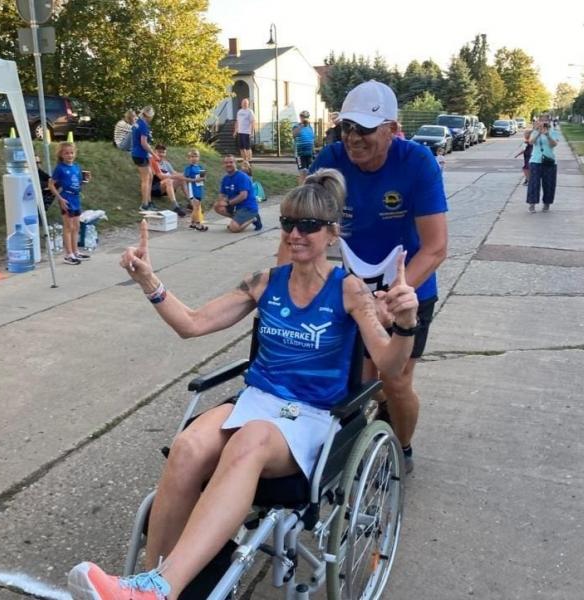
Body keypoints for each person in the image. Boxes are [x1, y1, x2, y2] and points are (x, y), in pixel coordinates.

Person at [66, 169, 419, 600]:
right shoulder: (266, 282)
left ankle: (162, 587)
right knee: (187, 446)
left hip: (311, 417)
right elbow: (192, 323)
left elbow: (389, 364)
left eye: (308, 225)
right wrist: (148, 282)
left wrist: (406, 324)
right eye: (288, 222)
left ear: (331, 233)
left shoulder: (350, 291)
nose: (295, 233)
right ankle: (148, 581)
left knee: (250, 439)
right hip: (257, 401)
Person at [278, 80, 448, 474]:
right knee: (359, 379)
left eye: (365, 129)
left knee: (395, 380)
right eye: (347, 127)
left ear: (391, 129)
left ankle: (401, 448)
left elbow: (436, 247)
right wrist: (283, 288)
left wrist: (392, 296)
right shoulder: (331, 159)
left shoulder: (417, 163)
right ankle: (371, 424)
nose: (353, 138)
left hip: (408, 286)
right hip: (355, 288)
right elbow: (299, 227)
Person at [48, 141, 91, 265]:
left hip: (75, 198)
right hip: (66, 197)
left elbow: (78, 183)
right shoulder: (60, 168)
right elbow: (51, 184)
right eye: (66, 153)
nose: (69, 155)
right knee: (68, 227)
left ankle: (76, 251)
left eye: (71, 153)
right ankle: (68, 254)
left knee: (76, 226)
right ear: (61, 155)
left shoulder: (76, 167)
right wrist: (60, 199)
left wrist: (85, 181)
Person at [214, 155, 262, 232]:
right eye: (226, 163)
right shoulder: (225, 179)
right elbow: (222, 194)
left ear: (235, 163)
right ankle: (238, 220)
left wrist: (228, 203)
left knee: (234, 228)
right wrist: (221, 201)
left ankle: (253, 218)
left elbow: (243, 196)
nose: (228, 164)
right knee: (217, 206)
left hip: (248, 207)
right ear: (223, 164)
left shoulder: (242, 177)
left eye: (231, 162)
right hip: (235, 207)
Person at [526, 120, 559, 213]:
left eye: (545, 122)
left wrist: (547, 135)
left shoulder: (553, 132)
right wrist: (538, 133)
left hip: (549, 161)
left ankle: (547, 203)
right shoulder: (535, 132)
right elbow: (531, 142)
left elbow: (554, 144)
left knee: (549, 183)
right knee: (534, 183)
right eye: (541, 122)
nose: (543, 124)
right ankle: (532, 204)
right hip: (535, 161)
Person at [150, 144, 188, 217]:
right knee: (169, 180)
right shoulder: (153, 161)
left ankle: (190, 202)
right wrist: (175, 176)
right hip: (155, 188)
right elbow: (161, 176)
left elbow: (174, 173)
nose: (161, 154)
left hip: (165, 187)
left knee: (182, 179)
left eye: (163, 152)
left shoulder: (166, 163)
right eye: (159, 152)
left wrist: (185, 174)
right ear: (155, 152)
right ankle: (175, 206)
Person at [132, 106, 156, 211]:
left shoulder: (138, 123)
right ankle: (144, 205)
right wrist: (154, 154)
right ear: (150, 116)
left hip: (139, 154)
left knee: (150, 176)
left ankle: (149, 201)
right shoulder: (143, 126)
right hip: (140, 155)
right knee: (145, 179)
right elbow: (144, 143)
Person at [182, 149, 208, 231]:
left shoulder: (200, 167)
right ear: (188, 158)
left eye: (196, 156)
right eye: (191, 157)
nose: (194, 158)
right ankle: (199, 224)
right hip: (192, 188)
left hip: (199, 188)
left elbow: (203, 177)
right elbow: (185, 178)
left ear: (198, 157)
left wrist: (203, 178)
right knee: (196, 207)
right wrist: (194, 180)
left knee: (196, 207)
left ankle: (192, 223)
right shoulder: (188, 168)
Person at [292, 110, 315, 184]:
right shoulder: (297, 126)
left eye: (306, 117)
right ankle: (301, 188)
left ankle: (307, 187)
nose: (305, 118)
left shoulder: (310, 127)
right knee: (302, 172)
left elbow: (312, 140)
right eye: (303, 117)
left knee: (309, 172)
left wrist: (313, 152)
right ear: (300, 118)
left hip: (309, 153)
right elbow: (294, 134)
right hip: (300, 153)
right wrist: (301, 126)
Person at [233, 98, 255, 162]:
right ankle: (244, 160)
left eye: (246, 103)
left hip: (247, 132)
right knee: (241, 148)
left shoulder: (250, 111)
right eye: (243, 103)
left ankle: (249, 161)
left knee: (247, 148)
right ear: (241, 104)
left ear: (248, 104)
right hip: (240, 132)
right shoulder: (239, 111)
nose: (244, 104)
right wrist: (235, 131)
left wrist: (252, 132)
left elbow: (253, 122)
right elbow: (237, 122)